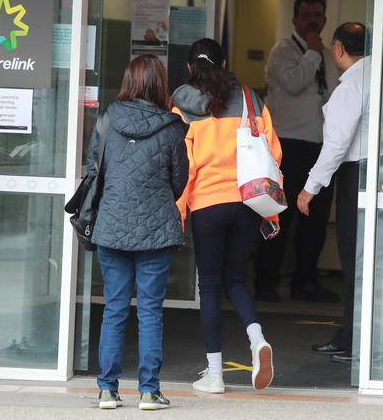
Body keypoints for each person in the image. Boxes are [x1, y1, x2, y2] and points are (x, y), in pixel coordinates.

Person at [173, 38, 280, 394]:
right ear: (223, 63)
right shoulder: (251, 99)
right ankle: (256, 338)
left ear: (190, 68)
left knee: (210, 286)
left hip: (207, 204)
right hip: (247, 202)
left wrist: (179, 214)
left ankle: (215, 374)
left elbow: (183, 168)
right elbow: (273, 154)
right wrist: (272, 210)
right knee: (235, 280)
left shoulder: (183, 105)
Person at [88, 54, 188, 410]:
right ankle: (149, 390)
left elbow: (93, 170)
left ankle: (107, 389)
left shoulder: (106, 119)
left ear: (129, 81)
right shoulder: (173, 127)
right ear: (161, 84)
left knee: (114, 308)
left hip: (111, 225)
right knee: (149, 310)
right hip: (156, 230)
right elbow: (179, 182)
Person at [256, 0, 341, 303]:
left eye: (318, 15)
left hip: (320, 148)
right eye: (306, 15)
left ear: (325, 19)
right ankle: (265, 281)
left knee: (314, 222)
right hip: (287, 147)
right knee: (279, 215)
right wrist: (314, 54)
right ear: (295, 20)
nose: (312, 21)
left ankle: (305, 282)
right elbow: (293, 84)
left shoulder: (329, 56)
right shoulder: (284, 52)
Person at [296, 23, 368, 365]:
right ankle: (353, 337)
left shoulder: (351, 86)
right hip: (373, 175)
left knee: (355, 264)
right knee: (365, 265)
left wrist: (310, 189)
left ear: (338, 49)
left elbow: (336, 145)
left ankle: (352, 341)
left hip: (355, 178)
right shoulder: (376, 78)